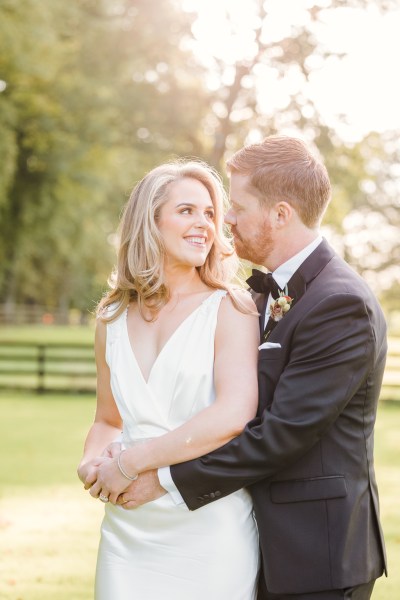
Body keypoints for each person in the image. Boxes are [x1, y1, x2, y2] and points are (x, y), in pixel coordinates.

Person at [119, 136, 388, 600]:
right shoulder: (259, 295)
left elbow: (281, 434)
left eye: (237, 207)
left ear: (280, 214)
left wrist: (162, 479)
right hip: (249, 540)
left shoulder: (341, 303)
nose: (226, 221)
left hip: (317, 554)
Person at [77, 160, 260, 599]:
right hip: (128, 533)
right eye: (187, 211)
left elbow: (233, 415)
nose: (205, 225)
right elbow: (107, 419)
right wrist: (92, 463)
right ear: (150, 221)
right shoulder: (111, 317)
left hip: (209, 526)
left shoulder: (232, 307)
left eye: (210, 213)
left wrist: (130, 464)